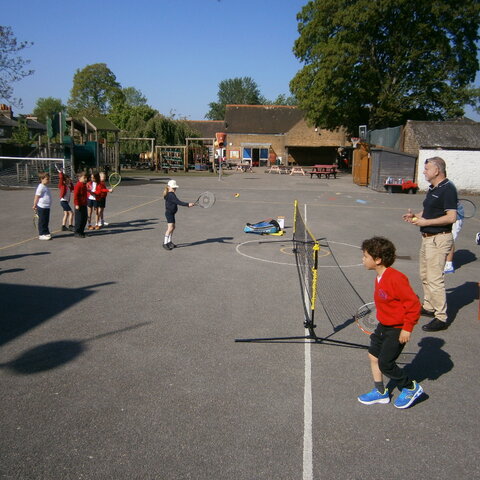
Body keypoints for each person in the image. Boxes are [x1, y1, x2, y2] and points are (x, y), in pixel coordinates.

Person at [357, 236, 424, 409]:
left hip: (397, 329)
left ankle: (411, 387)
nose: (363, 259)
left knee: (385, 364)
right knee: (373, 356)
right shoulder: (379, 277)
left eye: (365, 256)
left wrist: (407, 328)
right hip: (383, 326)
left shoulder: (396, 278)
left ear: (378, 260)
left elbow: (414, 305)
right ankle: (380, 392)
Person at [402, 157, 457, 332]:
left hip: (439, 239)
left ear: (437, 170)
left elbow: (451, 217)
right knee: (425, 275)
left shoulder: (448, 189)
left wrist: (426, 222)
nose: (424, 172)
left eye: (427, 169)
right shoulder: (433, 188)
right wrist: (415, 217)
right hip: (427, 238)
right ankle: (429, 306)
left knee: (435, 279)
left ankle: (441, 317)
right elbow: (428, 211)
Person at [163, 179, 194, 250]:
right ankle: (165, 243)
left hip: (171, 213)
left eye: (175, 188)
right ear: (169, 187)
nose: (175, 189)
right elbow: (178, 202)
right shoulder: (171, 195)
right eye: (173, 188)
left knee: (173, 227)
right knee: (170, 228)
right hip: (169, 213)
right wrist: (187, 204)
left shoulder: (170, 194)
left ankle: (169, 242)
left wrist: (188, 204)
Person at [444, 200, 464, 274]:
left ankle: (449, 265)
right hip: (443, 216)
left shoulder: (448, 193)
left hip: (455, 218)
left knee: (449, 239)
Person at [32, 172, 52, 240]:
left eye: (49, 179)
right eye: (47, 179)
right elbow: (36, 197)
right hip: (42, 207)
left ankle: (46, 232)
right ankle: (41, 234)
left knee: (46, 220)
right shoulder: (40, 187)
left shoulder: (45, 187)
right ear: (41, 179)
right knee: (42, 221)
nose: (48, 180)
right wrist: (35, 205)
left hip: (47, 207)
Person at [57, 167, 74, 231]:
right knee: (71, 213)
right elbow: (61, 178)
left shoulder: (68, 186)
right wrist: (60, 172)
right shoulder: (62, 185)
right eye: (67, 180)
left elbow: (73, 188)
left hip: (66, 201)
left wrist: (71, 182)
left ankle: (63, 226)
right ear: (64, 180)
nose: (68, 181)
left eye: (69, 180)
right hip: (63, 201)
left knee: (66, 213)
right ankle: (70, 225)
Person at [73, 172, 89, 238]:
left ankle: (82, 231)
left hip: (84, 204)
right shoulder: (78, 185)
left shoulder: (84, 185)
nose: (85, 179)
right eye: (84, 178)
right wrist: (77, 204)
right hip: (79, 205)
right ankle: (77, 232)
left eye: (86, 178)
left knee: (84, 218)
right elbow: (76, 195)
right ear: (79, 178)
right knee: (79, 219)